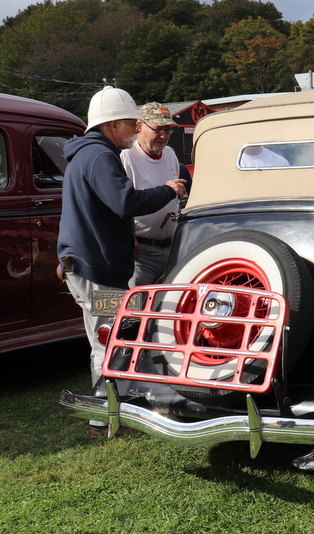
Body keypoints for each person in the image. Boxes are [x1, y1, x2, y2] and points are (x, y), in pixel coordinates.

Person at [57, 86, 186, 437]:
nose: (134, 128)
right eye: (130, 122)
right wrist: (168, 191)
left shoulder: (88, 153)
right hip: (98, 267)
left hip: (93, 263)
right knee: (108, 341)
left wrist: (65, 254)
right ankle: (104, 420)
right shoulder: (100, 156)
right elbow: (124, 201)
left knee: (109, 338)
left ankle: (112, 413)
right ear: (112, 126)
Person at [121, 102, 188, 287]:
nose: (164, 136)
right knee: (138, 310)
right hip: (140, 254)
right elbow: (119, 203)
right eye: (158, 129)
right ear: (139, 126)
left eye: (168, 130)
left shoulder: (170, 154)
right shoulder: (126, 156)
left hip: (171, 248)